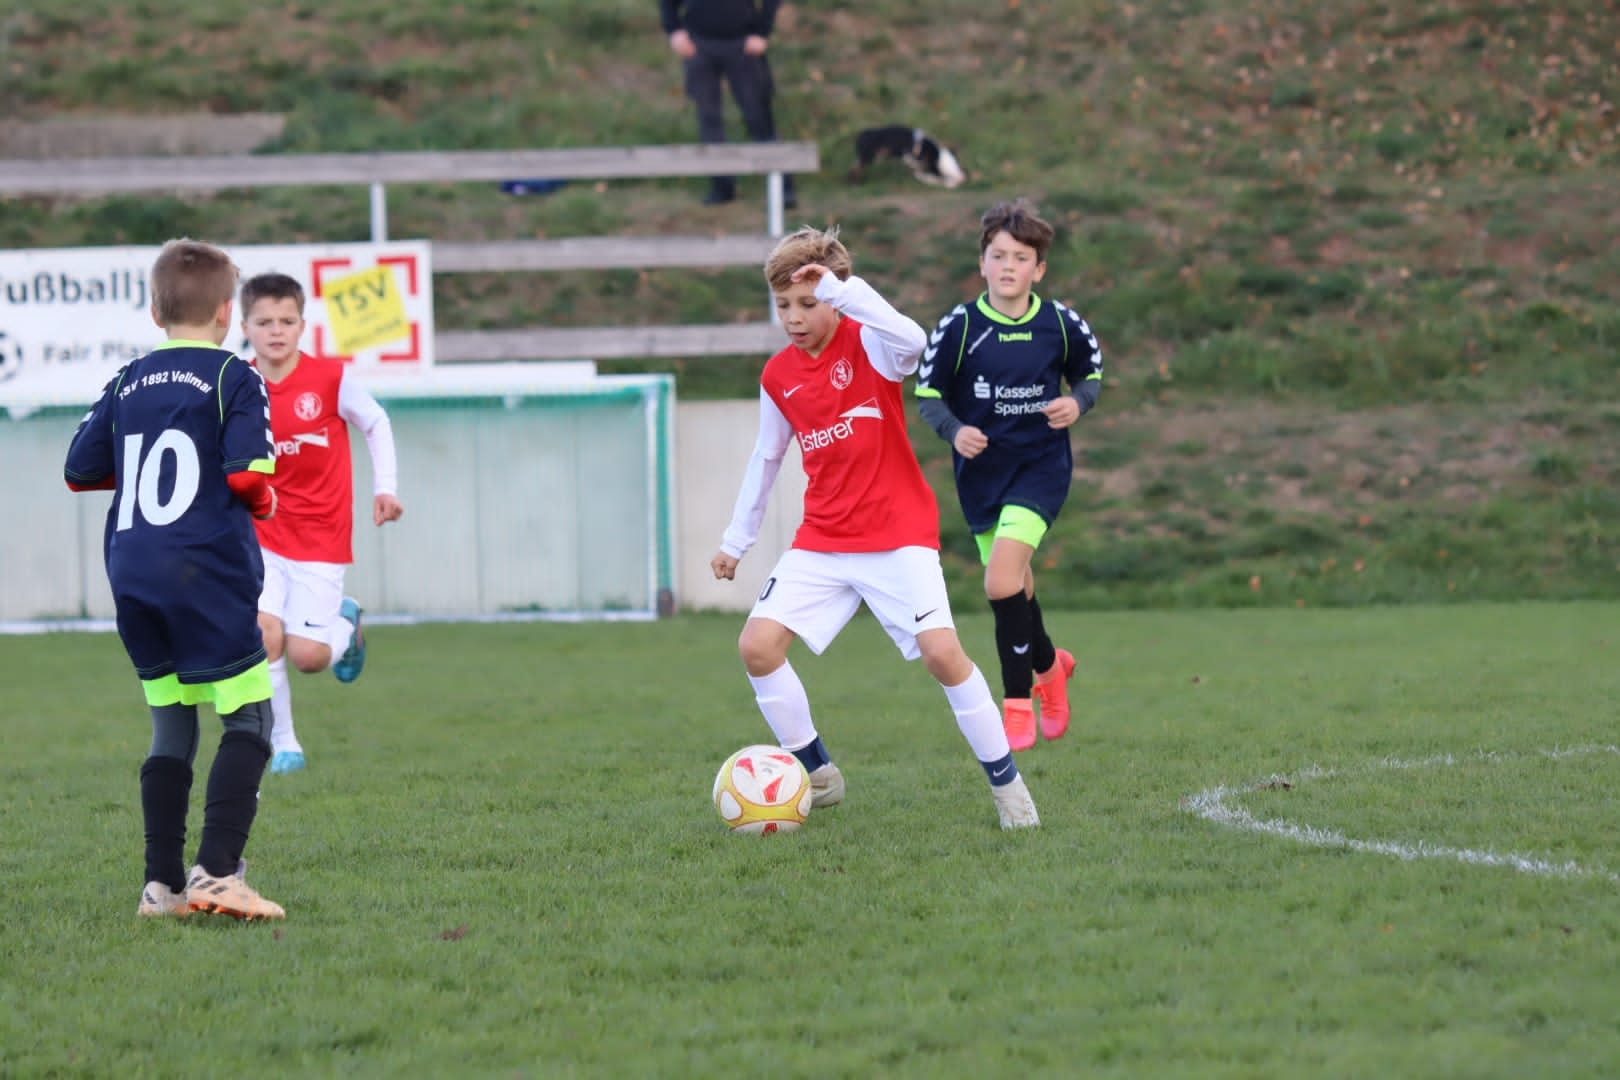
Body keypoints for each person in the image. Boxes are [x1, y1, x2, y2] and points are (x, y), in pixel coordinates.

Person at [710, 226, 1039, 829]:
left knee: (943, 655)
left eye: (807, 302)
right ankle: (817, 773)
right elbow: (767, 456)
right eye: (783, 305)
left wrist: (841, 291)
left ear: (834, 296)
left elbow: (914, 340)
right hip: (824, 539)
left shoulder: (871, 343)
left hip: (898, 535)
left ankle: (1009, 788)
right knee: (757, 646)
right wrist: (737, 541)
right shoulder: (778, 375)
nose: (794, 317)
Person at [64, 238, 286, 920]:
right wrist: (265, 502)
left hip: (133, 569)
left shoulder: (128, 378)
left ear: (156, 311)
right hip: (204, 569)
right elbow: (246, 475)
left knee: (170, 722)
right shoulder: (235, 377)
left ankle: (160, 887)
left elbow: (79, 469)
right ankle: (217, 873)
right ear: (226, 314)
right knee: (250, 713)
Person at [914, 198, 1103, 752]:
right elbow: (928, 393)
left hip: (1041, 468)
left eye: (1020, 258)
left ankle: (1017, 704)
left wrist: (1077, 403)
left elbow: (1090, 374)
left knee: (999, 583)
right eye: (998, 256)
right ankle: (1052, 668)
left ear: (1038, 269)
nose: (1008, 267)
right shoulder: (960, 327)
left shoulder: (1060, 323)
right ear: (982, 263)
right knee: (1017, 587)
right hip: (982, 477)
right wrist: (955, 431)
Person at [239, 272, 404, 775]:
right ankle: (284, 745)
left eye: (286, 321)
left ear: (301, 325)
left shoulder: (331, 380)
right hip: (261, 532)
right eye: (264, 322)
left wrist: (386, 488)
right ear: (245, 327)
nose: (276, 330)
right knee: (263, 635)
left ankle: (346, 626)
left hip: (320, 536)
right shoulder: (238, 385)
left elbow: (376, 421)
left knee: (308, 657)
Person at [659, 0, 798, 208]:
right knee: (709, 119)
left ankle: (783, 187)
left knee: (759, 117)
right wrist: (675, 30)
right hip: (698, 45)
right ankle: (722, 187)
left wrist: (762, 32)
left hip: (743, 44)